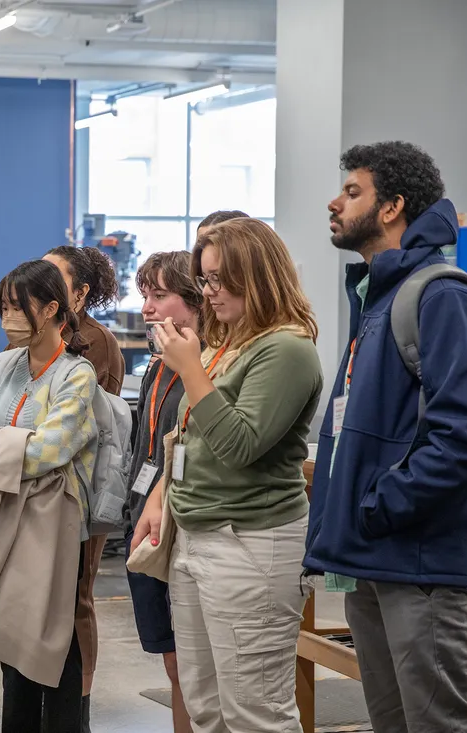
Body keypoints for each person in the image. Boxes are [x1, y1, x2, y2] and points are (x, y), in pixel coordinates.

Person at [304, 142, 467, 733]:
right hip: (374, 557)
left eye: (353, 192)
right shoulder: (379, 294)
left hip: (419, 561)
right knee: (393, 724)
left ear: (392, 207)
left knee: (439, 724)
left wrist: (381, 503)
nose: (334, 203)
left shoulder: (440, 295)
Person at [133, 217, 323, 732]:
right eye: (205, 279)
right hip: (198, 536)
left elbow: (239, 445)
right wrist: (160, 499)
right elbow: (190, 438)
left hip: (250, 543)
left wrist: (191, 370)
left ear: (257, 276)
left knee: (256, 713)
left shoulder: (286, 349)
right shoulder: (232, 340)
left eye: (219, 279)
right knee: (205, 705)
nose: (209, 292)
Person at [0, 258, 98, 733]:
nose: (8, 317)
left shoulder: (77, 373)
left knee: (52, 636)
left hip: (53, 522)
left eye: (18, 307)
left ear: (52, 308)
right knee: (10, 636)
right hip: (2, 513)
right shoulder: (4, 364)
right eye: (3, 307)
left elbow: (52, 449)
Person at [41, 244, 122, 730]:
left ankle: (80, 704)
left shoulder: (96, 342)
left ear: (80, 291)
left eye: (54, 276)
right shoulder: (34, 333)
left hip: (81, 488)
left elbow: (95, 426)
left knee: (77, 597)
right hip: (34, 488)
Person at [122, 249, 202, 733]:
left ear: (194, 301)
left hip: (183, 523)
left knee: (192, 665)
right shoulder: (156, 367)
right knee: (172, 661)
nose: (148, 308)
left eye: (160, 295)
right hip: (144, 517)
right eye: (145, 295)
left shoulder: (207, 367)